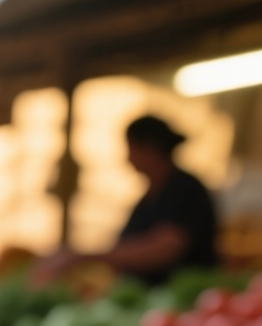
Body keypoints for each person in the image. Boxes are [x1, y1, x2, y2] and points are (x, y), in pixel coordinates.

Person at [38, 115, 218, 285]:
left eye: (131, 148)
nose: (128, 158)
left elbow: (164, 250)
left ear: (150, 148)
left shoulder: (184, 189)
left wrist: (82, 256)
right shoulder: (150, 197)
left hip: (179, 298)